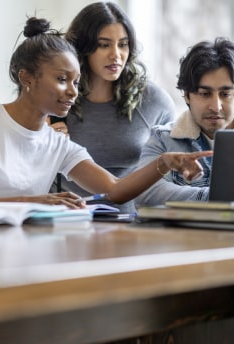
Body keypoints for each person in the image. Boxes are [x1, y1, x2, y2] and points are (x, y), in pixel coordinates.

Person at [0, 17, 211, 208]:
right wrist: (31, 204)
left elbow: (115, 190)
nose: (72, 91)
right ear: (27, 78)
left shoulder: (58, 145)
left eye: (76, 82)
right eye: (61, 79)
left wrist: (163, 162)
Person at [47, 1, 176, 213]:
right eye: (104, 45)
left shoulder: (155, 101)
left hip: (133, 223)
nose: (115, 55)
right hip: (67, 221)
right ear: (83, 48)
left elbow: (171, 176)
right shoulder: (56, 99)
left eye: (123, 44)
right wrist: (40, 143)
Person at [136, 37, 234, 206]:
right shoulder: (163, 139)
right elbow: (145, 193)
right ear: (187, 95)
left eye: (225, 94)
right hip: (189, 233)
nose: (216, 106)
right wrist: (218, 198)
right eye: (205, 94)